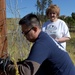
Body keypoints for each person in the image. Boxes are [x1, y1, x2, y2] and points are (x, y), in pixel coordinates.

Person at [0, 13, 75, 75]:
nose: (24, 36)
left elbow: (27, 71)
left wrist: (6, 67)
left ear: (35, 29)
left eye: (26, 33)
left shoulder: (42, 44)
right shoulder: (45, 38)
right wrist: (14, 64)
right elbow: (33, 61)